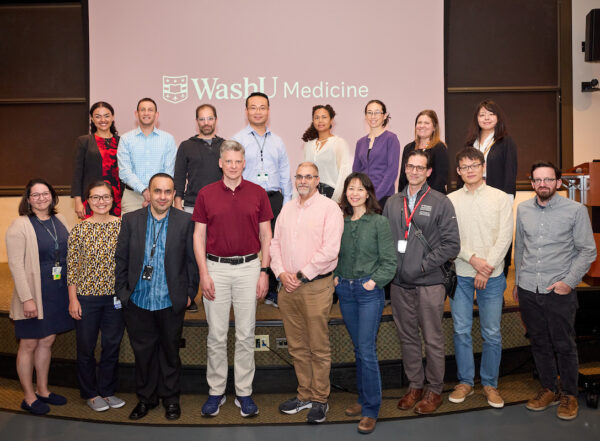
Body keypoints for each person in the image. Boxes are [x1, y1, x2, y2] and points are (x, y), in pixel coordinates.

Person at [192, 140, 273, 418]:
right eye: (228, 161)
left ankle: (243, 393)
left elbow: (266, 236)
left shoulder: (258, 193)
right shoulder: (205, 194)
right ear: (220, 163)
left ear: (244, 163)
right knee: (216, 335)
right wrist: (204, 273)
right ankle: (216, 392)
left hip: (250, 268)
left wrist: (264, 271)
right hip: (216, 269)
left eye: (238, 161)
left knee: (245, 334)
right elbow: (198, 236)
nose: (233, 166)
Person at [513, 161, 596, 421]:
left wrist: (568, 282)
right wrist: (517, 282)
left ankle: (569, 394)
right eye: (537, 180)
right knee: (538, 342)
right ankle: (548, 389)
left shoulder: (576, 210)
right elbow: (521, 247)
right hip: (528, 288)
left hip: (558, 289)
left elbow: (588, 250)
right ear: (532, 182)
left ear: (558, 183)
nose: (542, 184)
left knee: (563, 344)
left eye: (548, 179)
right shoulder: (524, 209)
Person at [115, 173, 199, 421]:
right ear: (149, 193)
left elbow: (192, 262)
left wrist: (189, 294)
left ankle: (171, 400)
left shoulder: (186, 221)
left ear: (174, 195)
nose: (162, 196)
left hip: (170, 300)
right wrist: (123, 292)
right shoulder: (131, 220)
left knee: (170, 353)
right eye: (157, 191)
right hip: (138, 300)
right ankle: (146, 399)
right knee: (143, 354)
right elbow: (121, 259)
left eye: (168, 192)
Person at [383, 150, 460, 415]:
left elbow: (452, 245)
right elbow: (386, 242)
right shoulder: (392, 202)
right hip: (400, 283)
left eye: (420, 168)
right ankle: (415, 385)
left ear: (428, 172)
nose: (414, 171)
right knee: (407, 337)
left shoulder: (440, 202)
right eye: (410, 167)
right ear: (405, 169)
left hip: (429, 283)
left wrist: (423, 265)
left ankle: (435, 390)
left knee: (432, 338)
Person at [271, 162, 344, 424]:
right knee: (297, 346)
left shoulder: (330, 209)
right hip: (287, 286)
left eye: (308, 177)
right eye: (299, 176)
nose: (303, 181)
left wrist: (300, 276)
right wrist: (281, 273)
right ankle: (304, 394)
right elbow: (275, 244)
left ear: (317, 180)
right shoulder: (287, 209)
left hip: (315, 287)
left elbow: (330, 250)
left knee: (318, 347)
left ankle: (320, 400)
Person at [447, 148, 513, 408]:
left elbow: (505, 236)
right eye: (464, 166)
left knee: (492, 332)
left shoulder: (499, 198)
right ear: (458, 171)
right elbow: (450, 238)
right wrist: (473, 259)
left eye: (474, 165)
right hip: (462, 274)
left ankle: (490, 384)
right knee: (461, 330)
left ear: (483, 167)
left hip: (493, 276)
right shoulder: (450, 200)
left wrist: (487, 267)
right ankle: (465, 382)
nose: (470, 170)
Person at [333, 172, 396, 434]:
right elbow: (334, 252)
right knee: (359, 348)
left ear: (368, 193)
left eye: (360, 189)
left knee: (367, 350)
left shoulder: (379, 222)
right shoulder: (341, 221)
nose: (355, 193)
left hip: (369, 292)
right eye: (350, 188)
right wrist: (336, 276)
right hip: (346, 292)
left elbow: (389, 261)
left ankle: (371, 408)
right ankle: (362, 398)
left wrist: (374, 282)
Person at [6, 179, 73, 415]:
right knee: (29, 343)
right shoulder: (19, 225)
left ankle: (43, 390)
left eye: (45, 193)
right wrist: (27, 299)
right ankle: (29, 396)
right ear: (28, 199)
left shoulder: (61, 220)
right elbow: (15, 265)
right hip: (34, 292)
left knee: (47, 341)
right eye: (35, 195)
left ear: (53, 197)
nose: (41, 198)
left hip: (57, 291)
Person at [67, 181, 125, 412]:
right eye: (95, 197)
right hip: (87, 298)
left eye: (106, 197)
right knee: (86, 347)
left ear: (113, 200)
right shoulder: (79, 230)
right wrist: (73, 299)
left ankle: (107, 390)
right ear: (88, 201)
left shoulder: (123, 226)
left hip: (115, 299)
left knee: (112, 345)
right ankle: (91, 393)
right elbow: (72, 268)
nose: (101, 201)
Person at [233, 92, 293, 306]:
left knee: (275, 244)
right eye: (253, 107)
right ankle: (248, 287)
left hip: (274, 198)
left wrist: (286, 203)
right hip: (247, 198)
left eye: (262, 107)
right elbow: (233, 171)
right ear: (246, 111)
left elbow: (285, 172)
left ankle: (273, 289)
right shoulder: (238, 139)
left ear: (268, 111)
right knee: (248, 243)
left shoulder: (277, 141)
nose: (258, 111)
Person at [465, 99, 517, 276]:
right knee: (474, 237)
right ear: (476, 119)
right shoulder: (471, 143)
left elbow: (510, 172)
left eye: (490, 113)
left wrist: (507, 201)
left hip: (495, 199)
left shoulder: (505, 142)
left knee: (496, 239)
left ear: (498, 117)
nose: (486, 118)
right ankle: (475, 276)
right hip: (472, 197)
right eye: (482, 114)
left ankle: (497, 282)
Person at [117, 98, 177, 214]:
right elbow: (124, 171)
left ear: (156, 114)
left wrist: (155, 193)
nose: (146, 113)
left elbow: (169, 171)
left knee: (163, 232)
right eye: (142, 110)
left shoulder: (168, 139)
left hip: (162, 197)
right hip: (132, 197)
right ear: (136, 114)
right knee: (131, 231)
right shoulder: (126, 139)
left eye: (150, 110)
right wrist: (144, 191)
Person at [71, 101, 122, 218]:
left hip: (117, 198)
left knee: (116, 233)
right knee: (93, 233)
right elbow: (77, 173)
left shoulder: (122, 141)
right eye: (98, 116)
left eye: (106, 116)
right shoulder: (84, 141)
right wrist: (78, 201)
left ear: (113, 117)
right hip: (92, 198)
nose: (102, 120)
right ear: (92, 119)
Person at [174, 103, 224, 214]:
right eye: (202, 119)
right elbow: (179, 177)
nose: (206, 123)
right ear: (197, 121)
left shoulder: (225, 145)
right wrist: (177, 202)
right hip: (193, 205)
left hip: (221, 205)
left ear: (216, 120)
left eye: (210, 119)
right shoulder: (186, 146)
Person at [352, 99, 401, 209]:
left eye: (377, 112)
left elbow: (391, 172)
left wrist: (375, 196)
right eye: (369, 112)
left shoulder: (391, 139)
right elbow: (356, 172)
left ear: (384, 116)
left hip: (383, 197)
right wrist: (359, 194)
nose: (373, 116)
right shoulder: (360, 142)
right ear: (365, 116)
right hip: (363, 197)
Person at [302, 104, 352, 202]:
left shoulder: (339, 143)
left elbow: (344, 173)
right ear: (313, 121)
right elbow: (304, 172)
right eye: (316, 117)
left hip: (331, 195)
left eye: (324, 117)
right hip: (310, 195)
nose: (320, 120)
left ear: (331, 120)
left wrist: (338, 199)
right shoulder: (308, 145)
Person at [398, 109, 449, 194]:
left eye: (426, 123)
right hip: (409, 198)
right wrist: (401, 197)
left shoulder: (440, 148)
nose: (422, 126)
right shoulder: (408, 148)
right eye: (419, 122)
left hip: (432, 199)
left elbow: (440, 180)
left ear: (434, 127)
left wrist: (425, 198)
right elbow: (403, 178)